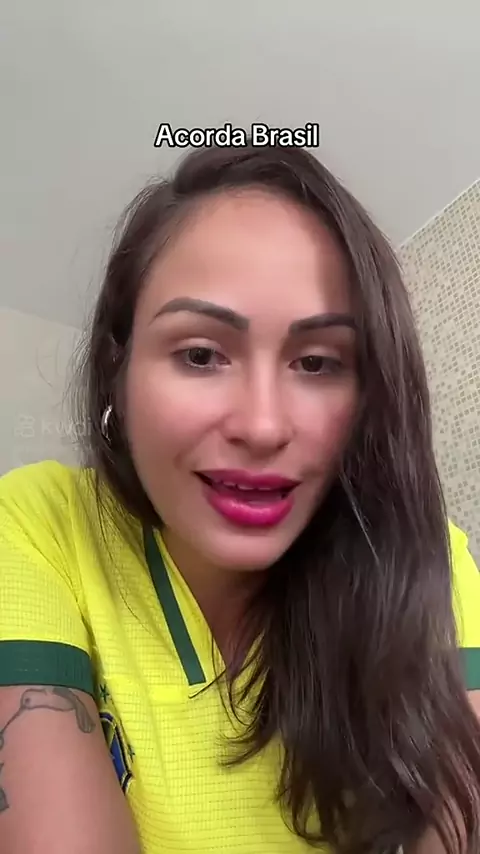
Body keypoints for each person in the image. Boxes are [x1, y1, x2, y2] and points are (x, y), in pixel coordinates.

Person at [0, 142, 479, 854]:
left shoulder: (423, 557)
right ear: (117, 368)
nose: (262, 425)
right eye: (200, 354)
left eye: (317, 363)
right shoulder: (39, 524)